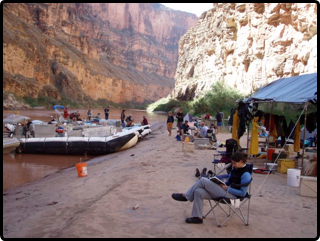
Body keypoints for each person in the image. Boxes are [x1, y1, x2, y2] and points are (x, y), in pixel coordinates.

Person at [171, 152, 251, 224]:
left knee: (203, 180)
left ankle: (186, 196)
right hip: (225, 190)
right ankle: (197, 217)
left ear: (241, 161)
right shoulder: (236, 168)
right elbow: (230, 181)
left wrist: (226, 188)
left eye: (234, 163)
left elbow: (242, 193)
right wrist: (221, 183)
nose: (233, 165)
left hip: (232, 196)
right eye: (232, 163)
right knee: (198, 191)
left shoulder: (246, 174)